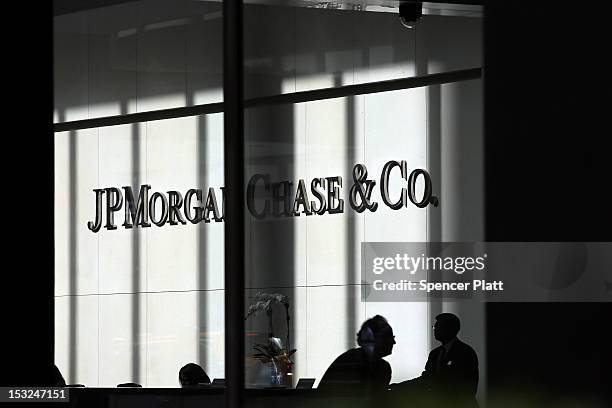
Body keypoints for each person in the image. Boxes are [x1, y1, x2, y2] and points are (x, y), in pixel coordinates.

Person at [394, 313, 478, 407]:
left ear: (451, 329)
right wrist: (400, 387)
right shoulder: (435, 354)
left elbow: (466, 389)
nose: (435, 330)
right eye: (435, 327)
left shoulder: (465, 353)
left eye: (439, 327)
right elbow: (426, 379)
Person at [318, 315, 395, 393]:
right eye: (390, 337)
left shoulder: (351, 359)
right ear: (377, 339)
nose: (393, 342)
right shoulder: (353, 362)